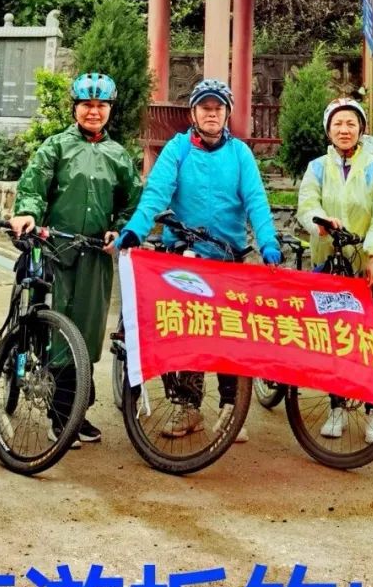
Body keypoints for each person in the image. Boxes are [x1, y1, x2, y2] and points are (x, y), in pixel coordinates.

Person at [115, 77, 282, 443]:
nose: (211, 114)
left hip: (226, 257)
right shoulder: (178, 150)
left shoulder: (240, 154)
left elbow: (256, 201)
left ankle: (230, 407)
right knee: (189, 332)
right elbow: (157, 193)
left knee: (227, 335)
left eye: (218, 108)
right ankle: (189, 407)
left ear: (226, 114)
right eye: (205, 108)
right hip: (184, 256)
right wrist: (135, 230)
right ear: (193, 113)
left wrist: (268, 242)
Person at [10, 72, 141, 446]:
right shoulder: (55, 147)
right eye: (87, 105)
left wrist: (120, 228)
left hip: (95, 257)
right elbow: (33, 188)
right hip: (55, 252)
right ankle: (65, 413)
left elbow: (131, 201)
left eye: (101, 106)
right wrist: (29, 213)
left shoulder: (118, 156)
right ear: (75, 108)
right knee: (58, 333)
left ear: (110, 111)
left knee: (87, 334)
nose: (94, 112)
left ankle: (74, 408)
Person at [296, 96, 373, 445]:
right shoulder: (316, 167)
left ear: (361, 129)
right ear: (328, 129)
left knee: (372, 338)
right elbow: (307, 203)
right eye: (338, 123)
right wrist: (320, 223)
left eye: (351, 123)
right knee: (334, 339)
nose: (344, 129)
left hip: (363, 267)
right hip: (329, 262)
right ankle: (337, 406)